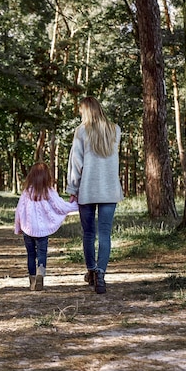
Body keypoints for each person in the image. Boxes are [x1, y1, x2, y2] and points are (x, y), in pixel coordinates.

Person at [66, 96, 123, 294]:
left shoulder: (81, 131)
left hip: (87, 190)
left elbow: (76, 163)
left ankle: (91, 271)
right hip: (110, 190)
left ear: (86, 110)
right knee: (105, 234)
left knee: (89, 233)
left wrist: (73, 189)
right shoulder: (115, 130)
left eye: (81, 111)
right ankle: (100, 274)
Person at [15, 162, 78, 291]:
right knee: (42, 253)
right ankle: (41, 273)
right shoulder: (49, 191)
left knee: (31, 254)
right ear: (46, 177)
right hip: (42, 230)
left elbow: (19, 211)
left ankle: (32, 281)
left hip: (28, 229)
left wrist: (18, 227)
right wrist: (75, 205)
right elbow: (60, 206)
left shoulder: (26, 192)